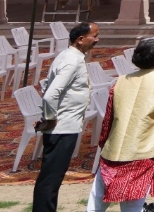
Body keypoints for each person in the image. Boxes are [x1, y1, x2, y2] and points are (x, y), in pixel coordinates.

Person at [87, 37, 154, 212]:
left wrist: (104, 144)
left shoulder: (120, 81)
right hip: (142, 155)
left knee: (95, 205)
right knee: (132, 208)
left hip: (113, 153)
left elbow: (108, 121)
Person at [34, 21, 99, 212]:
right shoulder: (72, 60)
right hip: (62, 127)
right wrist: (50, 118)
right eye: (94, 36)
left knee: (52, 177)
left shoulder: (71, 56)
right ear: (80, 40)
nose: (97, 40)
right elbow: (51, 94)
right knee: (51, 178)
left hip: (65, 126)